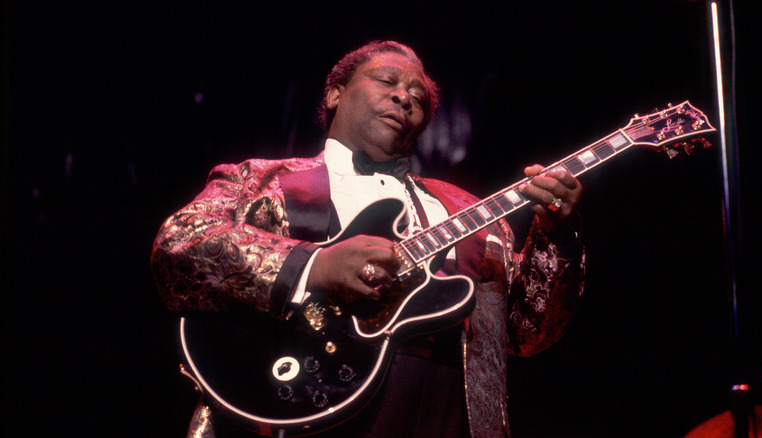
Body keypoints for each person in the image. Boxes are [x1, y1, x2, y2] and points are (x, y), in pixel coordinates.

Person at [151, 40, 585, 438]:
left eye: (419, 99)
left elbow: (529, 333)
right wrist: (315, 266)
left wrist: (557, 234)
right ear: (335, 94)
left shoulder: (478, 215)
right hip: (299, 405)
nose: (404, 97)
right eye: (387, 81)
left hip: (454, 414)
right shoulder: (261, 179)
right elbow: (182, 244)